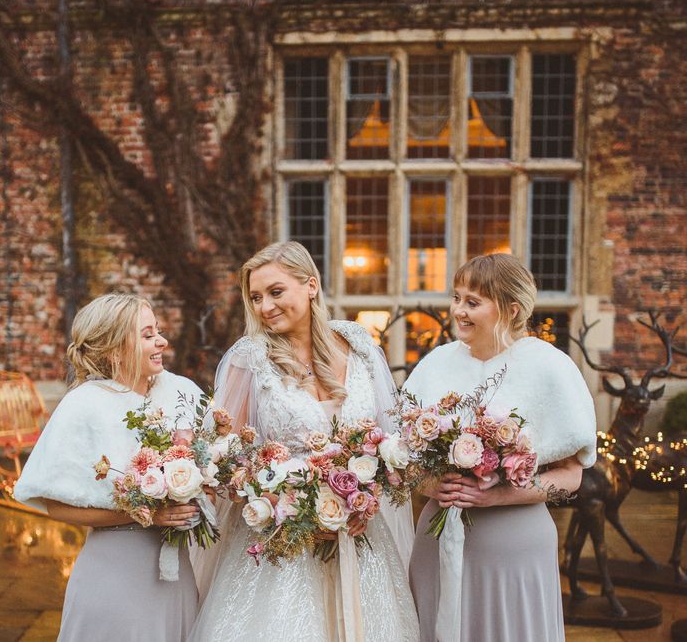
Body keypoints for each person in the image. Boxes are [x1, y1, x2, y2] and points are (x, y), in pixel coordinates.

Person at [188, 241, 419, 642]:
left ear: (310, 285)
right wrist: (281, 504)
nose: (264, 307)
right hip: (280, 546)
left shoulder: (359, 347)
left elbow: (390, 443)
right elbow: (222, 460)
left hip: (361, 538)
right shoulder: (251, 358)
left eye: (276, 292)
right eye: (256, 297)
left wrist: (366, 496)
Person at [404, 254, 597, 642]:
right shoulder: (434, 365)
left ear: (511, 309)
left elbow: (572, 477)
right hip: (437, 539)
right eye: (457, 297)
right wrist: (430, 485)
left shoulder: (550, 368)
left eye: (472, 302)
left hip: (514, 546)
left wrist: (494, 496)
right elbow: (404, 464)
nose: (458, 310)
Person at [14, 293, 203, 642]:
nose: (162, 341)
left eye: (157, 330)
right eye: (147, 335)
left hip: (177, 574)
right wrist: (145, 514)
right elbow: (56, 505)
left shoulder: (181, 393)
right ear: (115, 350)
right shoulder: (85, 404)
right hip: (116, 575)